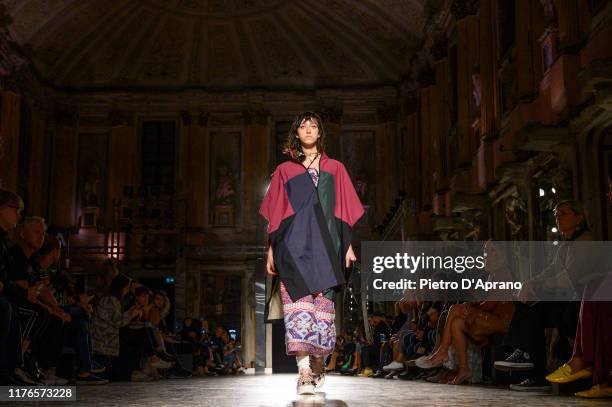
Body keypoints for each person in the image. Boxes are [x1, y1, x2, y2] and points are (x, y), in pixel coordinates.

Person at [259, 111, 364, 395]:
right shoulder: (285, 171)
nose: (308, 129)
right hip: (294, 248)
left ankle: (318, 364)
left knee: (322, 315)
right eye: (303, 126)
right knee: (297, 311)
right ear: (296, 133)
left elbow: (344, 210)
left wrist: (349, 245)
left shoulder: (335, 168)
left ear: (320, 133)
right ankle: (304, 372)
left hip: (328, 247)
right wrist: (270, 250)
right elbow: (276, 214)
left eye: (313, 126)